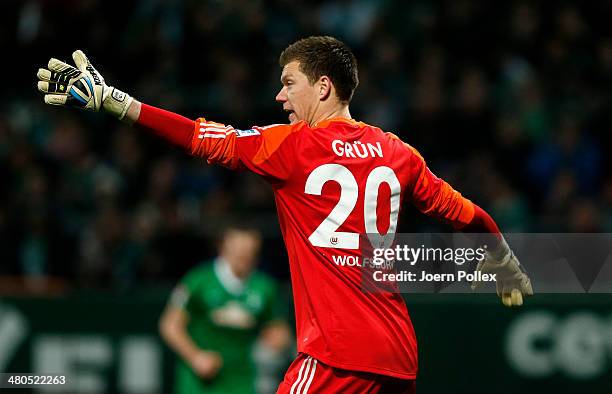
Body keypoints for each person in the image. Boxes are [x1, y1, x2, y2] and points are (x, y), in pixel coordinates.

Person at [36, 36, 532, 393]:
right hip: (398, 359)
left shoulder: (292, 147)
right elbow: (471, 216)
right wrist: (505, 264)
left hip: (336, 357)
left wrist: (118, 103)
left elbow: (204, 138)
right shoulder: (399, 153)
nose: (279, 96)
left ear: (322, 87)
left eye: (288, 83)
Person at [159, 225, 291, 394]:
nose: (244, 257)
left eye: (250, 252)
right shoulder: (199, 281)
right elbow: (170, 325)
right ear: (223, 247)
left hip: (242, 380)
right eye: (239, 251)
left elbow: (277, 329)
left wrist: (278, 341)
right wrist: (196, 357)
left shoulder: (264, 287)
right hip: (199, 382)